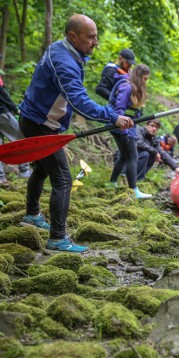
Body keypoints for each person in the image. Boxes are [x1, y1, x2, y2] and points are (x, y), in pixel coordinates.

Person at [18, 14, 134, 253]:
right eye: (91, 37)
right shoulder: (64, 62)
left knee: (42, 168)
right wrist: (113, 116)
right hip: (40, 124)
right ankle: (57, 238)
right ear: (73, 36)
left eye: (96, 37)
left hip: (36, 120)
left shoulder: (63, 49)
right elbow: (79, 102)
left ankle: (31, 214)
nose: (95, 42)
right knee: (63, 179)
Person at [106, 63, 152, 199]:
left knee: (124, 156)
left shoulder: (132, 87)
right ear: (138, 77)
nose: (146, 82)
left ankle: (112, 183)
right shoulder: (126, 86)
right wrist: (124, 131)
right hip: (122, 127)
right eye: (144, 78)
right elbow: (119, 109)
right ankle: (134, 190)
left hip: (126, 126)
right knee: (133, 157)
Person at [0, 69, 31, 184]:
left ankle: (1, 178)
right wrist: (15, 109)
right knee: (21, 139)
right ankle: (24, 171)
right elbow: (2, 95)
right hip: (2, 113)